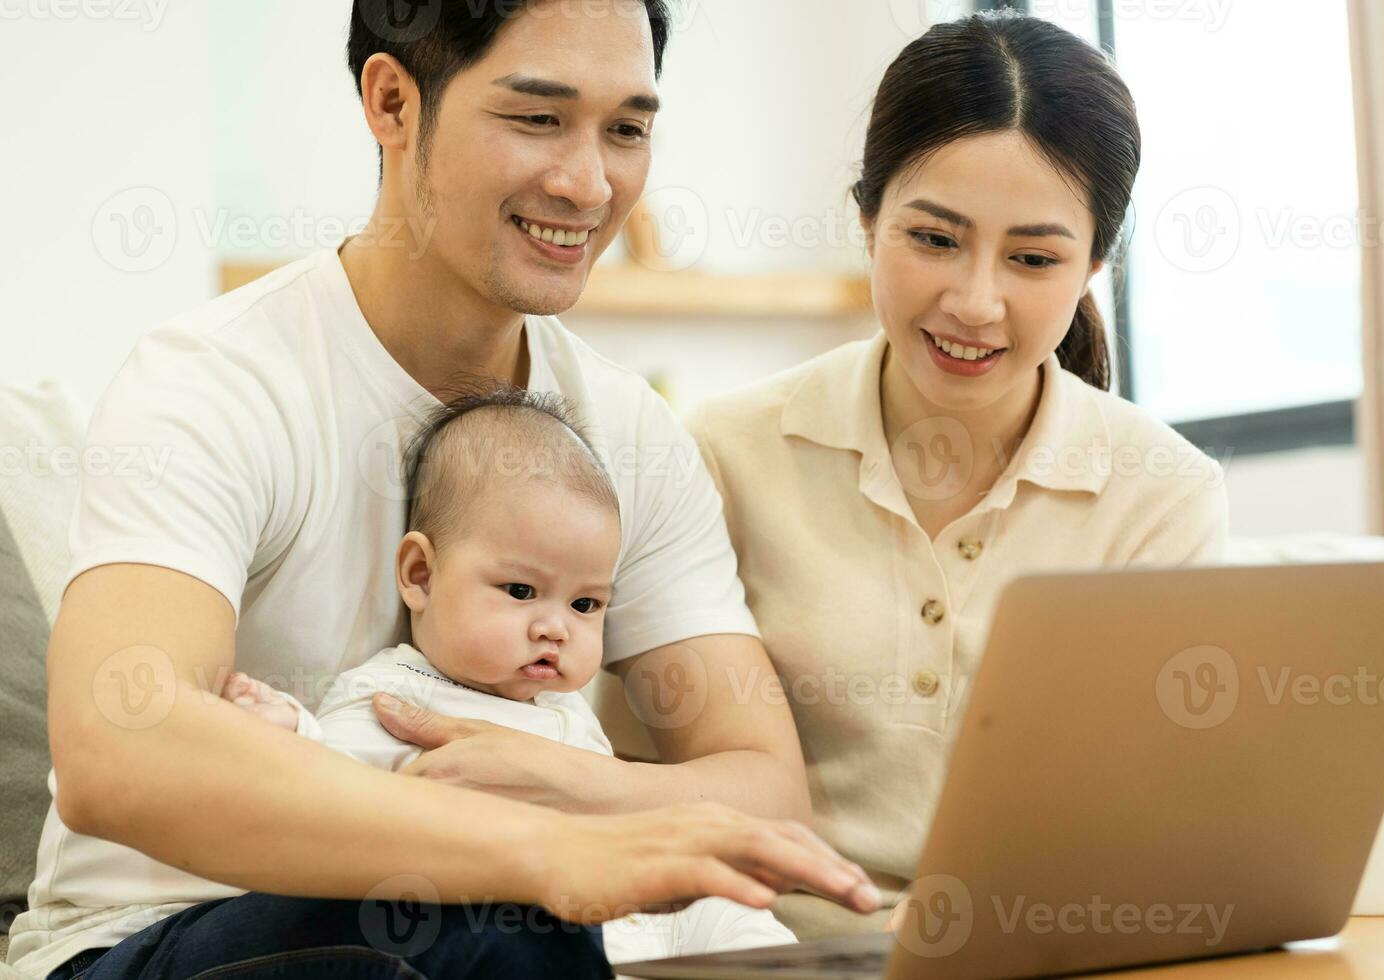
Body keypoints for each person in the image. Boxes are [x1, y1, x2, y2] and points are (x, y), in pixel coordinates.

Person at [10, 2, 876, 978]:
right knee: (501, 914)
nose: (589, 181)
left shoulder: (624, 433)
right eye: (538, 118)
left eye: (627, 129)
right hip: (155, 937)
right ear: (392, 101)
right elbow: (118, 750)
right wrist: (543, 849)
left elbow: (764, 794)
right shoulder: (213, 381)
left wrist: (554, 781)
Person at [686, 11, 1230, 941]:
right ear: (868, 219)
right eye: (934, 239)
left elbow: (1163, 815)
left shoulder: (1163, 493)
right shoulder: (723, 452)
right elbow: (639, 759)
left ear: (1095, 262)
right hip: (773, 949)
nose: (975, 302)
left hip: (1047, 951)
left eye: (1032, 258)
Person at [223, 386, 799, 964]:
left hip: (627, 908)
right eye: (521, 591)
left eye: (586, 605)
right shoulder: (397, 694)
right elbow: (333, 795)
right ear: (420, 574)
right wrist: (289, 731)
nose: (556, 628)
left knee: (732, 910)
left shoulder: (564, 710)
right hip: (530, 927)